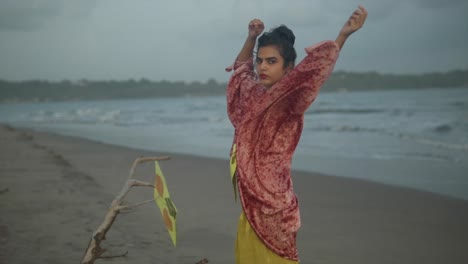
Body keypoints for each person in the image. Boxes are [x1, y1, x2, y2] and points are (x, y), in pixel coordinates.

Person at [225, 5, 368, 264]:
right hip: (250, 201)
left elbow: (314, 71)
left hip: (274, 205)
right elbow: (241, 71)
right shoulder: (253, 93)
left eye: (271, 61)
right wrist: (251, 38)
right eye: (261, 60)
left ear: (289, 68)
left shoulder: (291, 99)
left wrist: (342, 36)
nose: (262, 67)